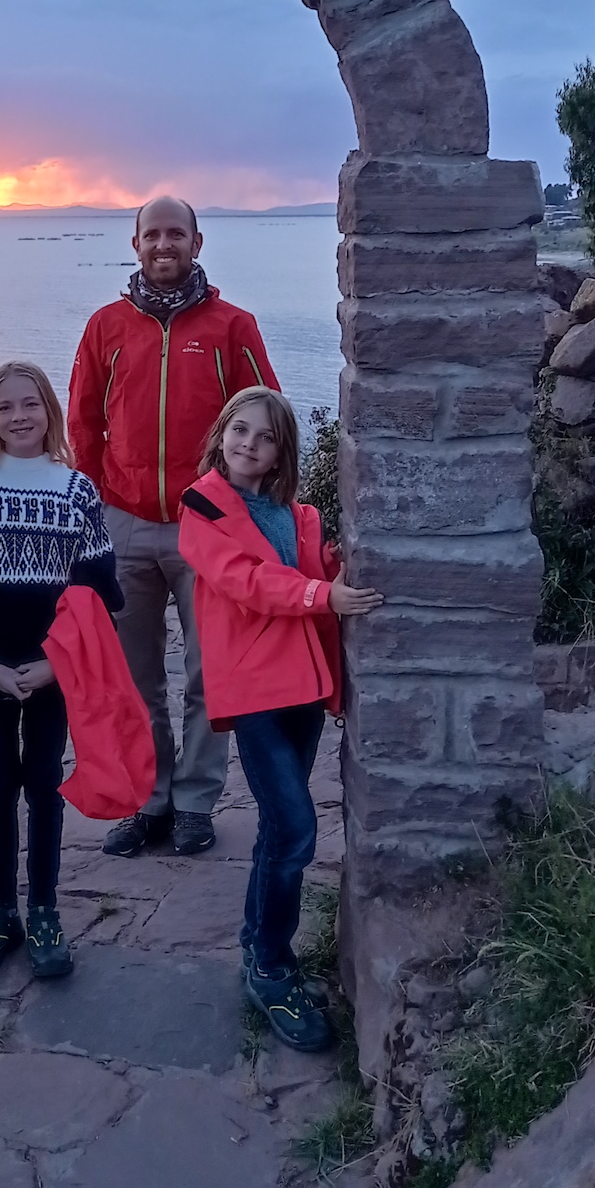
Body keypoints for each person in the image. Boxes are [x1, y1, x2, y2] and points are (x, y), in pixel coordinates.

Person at [68, 195, 279, 860]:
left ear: (197, 242)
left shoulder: (231, 326)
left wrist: (244, 505)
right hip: (124, 524)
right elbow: (82, 423)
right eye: (153, 234)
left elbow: (266, 418)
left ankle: (194, 802)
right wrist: (95, 507)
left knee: (210, 674)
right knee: (136, 680)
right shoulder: (105, 327)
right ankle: (149, 799)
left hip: (207, 530)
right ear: (135, 244)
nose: (164, 245)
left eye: (176, 234)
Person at [178, 387, 384, 1051]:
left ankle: (257, 946)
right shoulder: (201, 507)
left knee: (277, 827)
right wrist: (322, 593)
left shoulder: (297, 515)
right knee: (295, 828)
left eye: (265, 437)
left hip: (303, 685)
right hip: (256, 690)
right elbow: (246, 581)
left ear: (279, 453)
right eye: (240, 429)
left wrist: (335, 567)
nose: (249, 444)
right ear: (222, 433)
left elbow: (305, 568)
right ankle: (270, 965)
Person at [0, 361, 122, 980]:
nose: (19, 416)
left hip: (51, 675)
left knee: (43, 785)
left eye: (30, 404)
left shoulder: (76, 491)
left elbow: (97, 593)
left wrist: (55, 665)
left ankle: (43, 912)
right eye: (6, 406)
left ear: (50, 412)